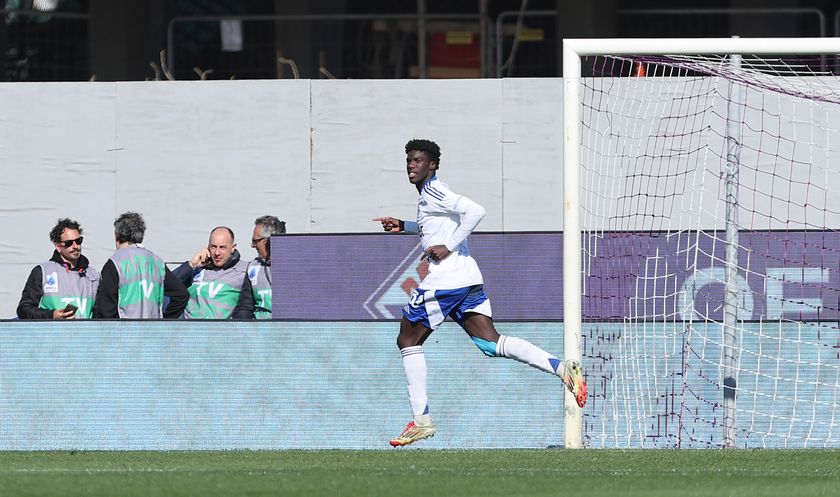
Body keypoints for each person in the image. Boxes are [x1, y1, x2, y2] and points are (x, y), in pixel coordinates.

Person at [374, 139, 587, 447]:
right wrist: (405, 225)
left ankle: (421, 422)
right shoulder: (429, 197)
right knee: (490, 342)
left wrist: (449, 246)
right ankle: (561, 367)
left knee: (407, 339)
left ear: (432, 164)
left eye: (418, 160)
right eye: (408, 160)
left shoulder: (435, 190)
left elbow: (476, 211)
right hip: (468, 279)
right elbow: (437, 226)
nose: (411, 164)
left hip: (446, 281)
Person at [93, 212, 189, 319]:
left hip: (124, 332)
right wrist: (165, 320)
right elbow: (182, 294)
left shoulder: (115, 262)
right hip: (153, 332)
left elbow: (105, 309)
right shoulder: (157, 262)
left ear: (116, 236)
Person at [17, 218, 100, 319]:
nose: (75, 246)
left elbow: (100, 313)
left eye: (78, 241)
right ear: (57, 245)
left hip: (84, 334)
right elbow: (24, 310)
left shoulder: (94, 275)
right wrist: (51, 315)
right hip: (52, 334)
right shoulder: (43, 271)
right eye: (69, 243)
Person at [172, 226, 254, 319]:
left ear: (233, 247)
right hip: (188, 327)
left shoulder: (245, 270)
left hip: (220, 329)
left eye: (222, 247)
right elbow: (166, 285)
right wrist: (191, 265)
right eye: (213, 247)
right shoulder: (198, 268)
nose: (217, 252)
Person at [248, 215, 286, 319]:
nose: (252, 245)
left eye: (255, 241)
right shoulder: (252, 267)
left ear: (269, 241)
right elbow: (245, 306)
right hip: (259, 330)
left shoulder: (295, 269)